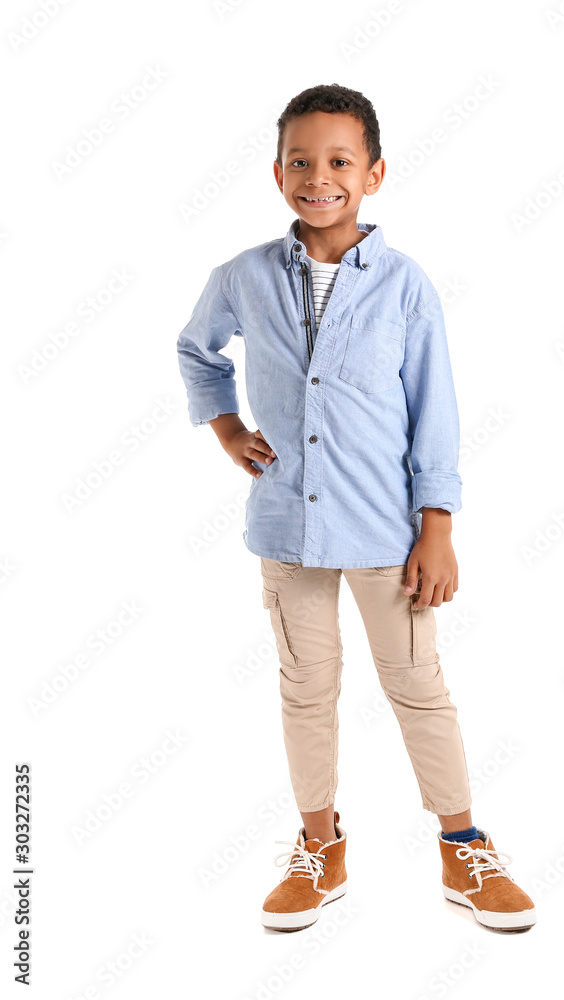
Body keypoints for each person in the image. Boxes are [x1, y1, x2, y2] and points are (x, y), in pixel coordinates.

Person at [176, 83, 536, 934]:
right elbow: (196, 350)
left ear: (372, 173)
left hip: (386, 531)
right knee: (306, 689)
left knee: (417, 686)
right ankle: (319, 847)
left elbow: (433, 409)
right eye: (300, 160)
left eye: (338, 161)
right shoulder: (243, 276)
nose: (318, 176)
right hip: (286, 530)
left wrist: (437, 524)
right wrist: (226, 426)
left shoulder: (405, 287)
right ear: (276, 172)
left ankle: (464, 848)